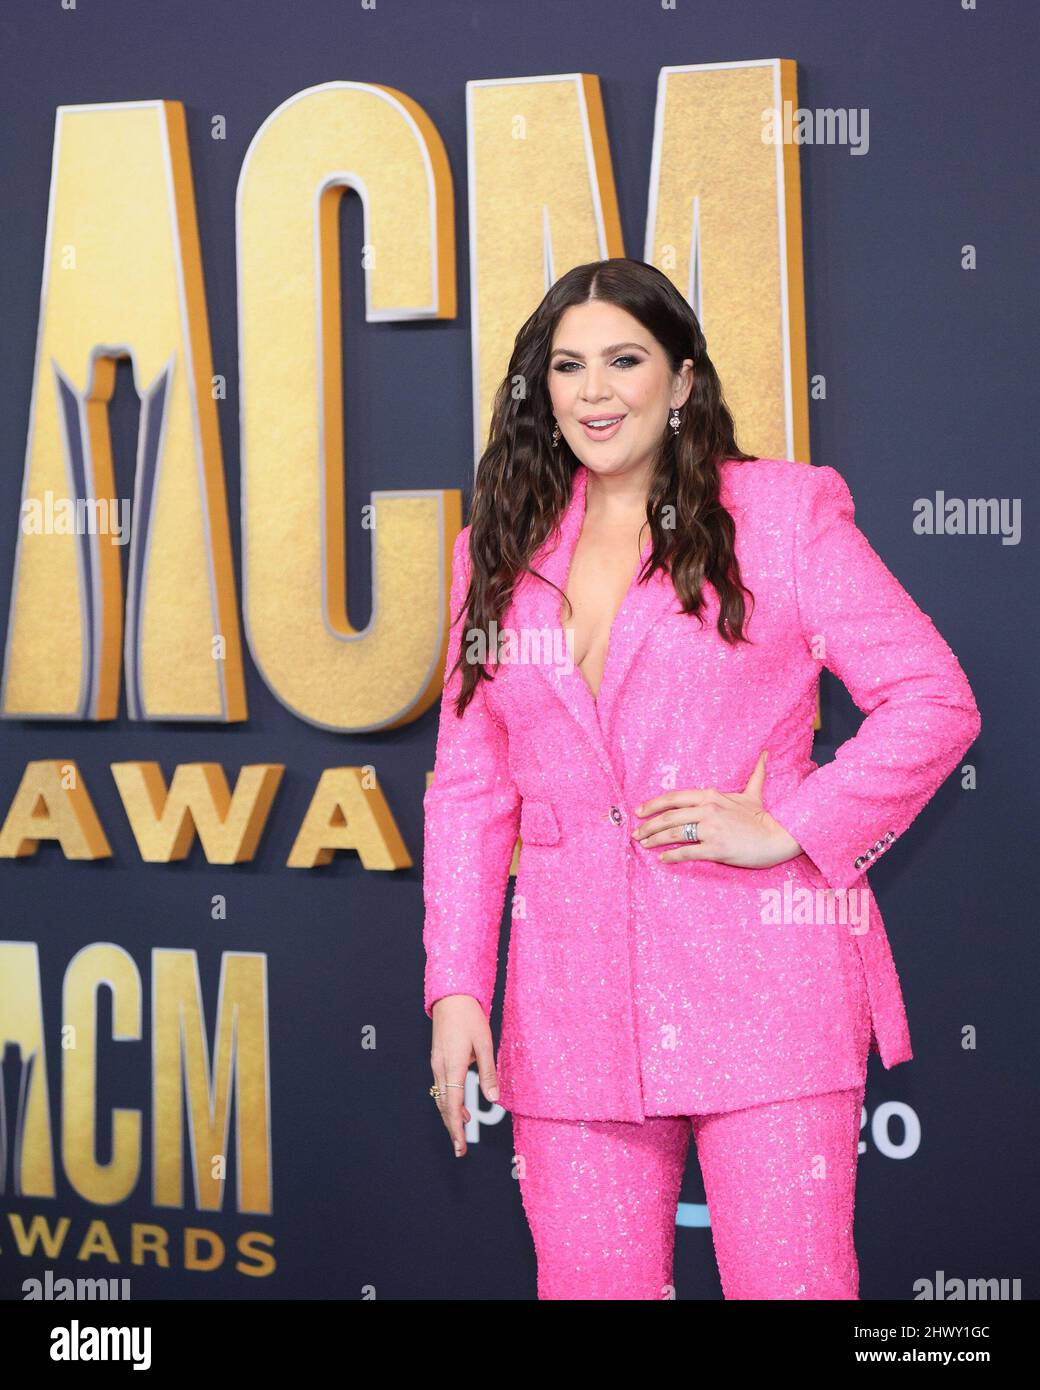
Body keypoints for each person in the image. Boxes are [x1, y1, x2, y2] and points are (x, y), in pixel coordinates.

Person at [421, 257, 981, 1300]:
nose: (593, 392)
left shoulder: (778, 514)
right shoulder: (491, 551)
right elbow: (468, 787)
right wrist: (457, 984)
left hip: (763, 988)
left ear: (680, 380)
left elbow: (933, 698)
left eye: (623, 360)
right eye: (567, 366)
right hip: (567, 1007)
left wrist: (793, 823)